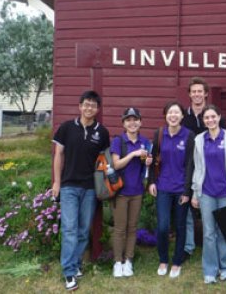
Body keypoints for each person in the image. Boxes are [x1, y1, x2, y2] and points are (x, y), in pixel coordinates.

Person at [52, 90, 110, 291]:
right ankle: (69, 272)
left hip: (90, 189)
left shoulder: (102, 132)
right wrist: (57, 182)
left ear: (97, 109)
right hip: (69, 186)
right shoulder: (67, 128)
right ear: (80, 106)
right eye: (86, 104)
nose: (89, 108)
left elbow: (104, 162)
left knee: (84, 230)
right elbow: (58, 155)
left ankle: (75, 264)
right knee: (69, 229)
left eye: (93, 105)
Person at [191, 104, 226, 284]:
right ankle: (210, 271)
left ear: (219, 117)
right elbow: (197, 168)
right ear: (203, 121)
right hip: (206, 193)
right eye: (206, 118)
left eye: (213, 116)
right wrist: (195, 193)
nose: (210, 120)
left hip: (225, 193)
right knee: (209, 233)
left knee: (224, 231)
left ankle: (224, 268)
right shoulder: (199, 140)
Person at [148, 101, 195, 279]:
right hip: (163, 187)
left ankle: (176, 262)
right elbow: (153, 160)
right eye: (170, 112)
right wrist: (151, 181)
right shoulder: (159, 134)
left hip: (181, 188)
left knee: (181, 225)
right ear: (166, 115)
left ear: (182, 116)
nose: (173, 116)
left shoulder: (188, 136)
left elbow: (191, 164)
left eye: (176, 113)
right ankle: (163, 259)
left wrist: (187, 191)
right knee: (162, 226)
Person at [182, 77, 226, 260]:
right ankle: (189, 246)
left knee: (218, 208)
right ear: (189, 94)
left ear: (206, 93)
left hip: (212, 168)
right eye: (194, 91)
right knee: (189, 209)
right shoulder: (184, 118)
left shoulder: (213, 115)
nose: (197, 94)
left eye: (200, 91)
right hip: (190, 166)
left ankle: (219, 244)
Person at [110, 107, 152, 278]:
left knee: (132, 228)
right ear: (124, 123)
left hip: (137, 191)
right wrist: (133, 153)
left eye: (135, 119)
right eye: (128, 120)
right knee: (120, 228)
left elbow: (145, 165)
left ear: (140, 122)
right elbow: (116, 164)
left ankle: (128, 261)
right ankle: (117, 262)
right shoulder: (118, 141)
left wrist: (147, 161)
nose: (132, 123)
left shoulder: (145, 141)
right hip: (120, 191)